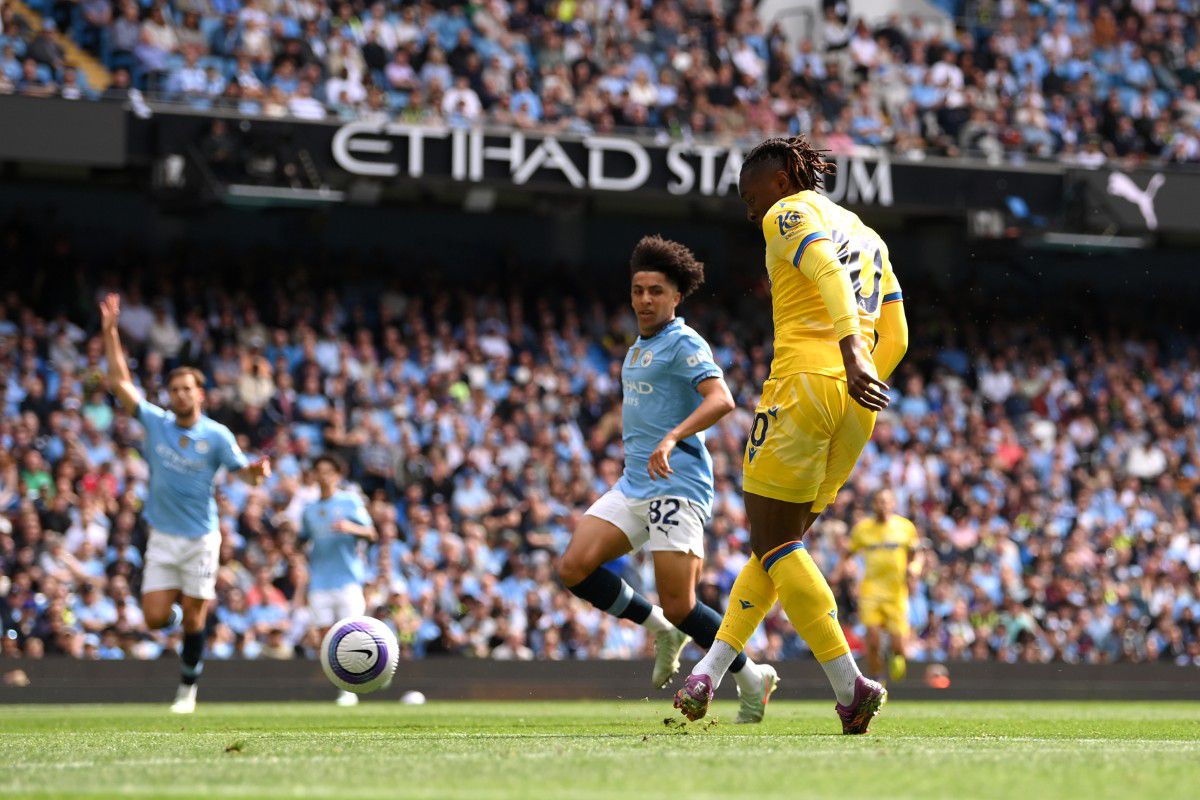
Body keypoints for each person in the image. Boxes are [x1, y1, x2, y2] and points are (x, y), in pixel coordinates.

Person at [675, 136, 909, 734]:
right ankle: (710, 670)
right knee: (779, 543)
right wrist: (862, 371)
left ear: (778, 181)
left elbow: (825, 268)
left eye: (750, 196)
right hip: (859, 402)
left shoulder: (789, 211)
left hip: (804, 380)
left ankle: (849, 684)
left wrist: (847, 351)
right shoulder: (870, 234)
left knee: (775, 539)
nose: (750, 211)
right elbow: (900, 335)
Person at [559, 236, 779, 724]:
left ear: (676, 296)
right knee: (573, 566)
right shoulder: (637, 348)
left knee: (683, 604)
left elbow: (722, 399)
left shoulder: (683, 342)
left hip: (677, 484)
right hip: (635, 483)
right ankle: (661, 630)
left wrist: (671, 436)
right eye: (638, 290)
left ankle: (750, 676)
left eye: (655, 291)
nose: (644, 300)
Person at [99, 294, 270, 713]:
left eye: (186, 388)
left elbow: (241, 471)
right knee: (155, 619)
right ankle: (173, 623)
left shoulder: (217, 435)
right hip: (162, 535)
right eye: (173, 389)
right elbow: (121, 383)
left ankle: (187, 689)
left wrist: (256, 474)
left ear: (200, 393)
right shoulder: (156, 422)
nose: (178, 394)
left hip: (200, 538)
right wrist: (109, 331)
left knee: (196, 617)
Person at [300, 454, 377, 706]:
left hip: (348, 580)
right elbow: (303, 539)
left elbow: (371, 533)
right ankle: (341, 685)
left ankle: (350, 688)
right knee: (326, 639)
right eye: (318, 471)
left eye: (327, 471)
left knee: (351, 635)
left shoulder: (350, 501)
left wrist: (350, 528)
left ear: (336, 475)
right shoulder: (309, 511)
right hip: (320, 581)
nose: (323, 476)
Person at [849, 488, 922, 684]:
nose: (882, 505)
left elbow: (916, 553)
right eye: (879, 501)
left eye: (886, 501)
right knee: (873, 639)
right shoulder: (862, 529)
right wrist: (842, 574)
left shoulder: (905, 527)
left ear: (893, 504)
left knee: (899, 645)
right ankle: (877, 680)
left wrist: (914, 567)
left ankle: (896, 656)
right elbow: (848, 554)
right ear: (873, 504)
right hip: (871, 591)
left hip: (896, 592)